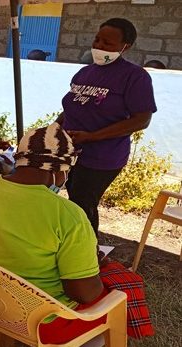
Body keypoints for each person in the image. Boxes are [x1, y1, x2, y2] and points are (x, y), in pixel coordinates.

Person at [0, 123, 154, 343]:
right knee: (118, 296)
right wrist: (94, 266)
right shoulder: (68, 216)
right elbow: (83, 294)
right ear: (58, 170)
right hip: (43, 321)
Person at [56, 18, 157, 236]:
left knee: (83, 204)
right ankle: (72, 245)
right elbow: (72, 108)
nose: (99, 46)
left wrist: (92, 136)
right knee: (72, 201)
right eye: (97, 39)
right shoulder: (84, 73)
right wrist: (51, 130)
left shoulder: (135, 77)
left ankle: (88, 253)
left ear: (125, 46)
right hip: (69, 150)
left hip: (102, 157)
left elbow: (142, 119)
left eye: (108, 43)